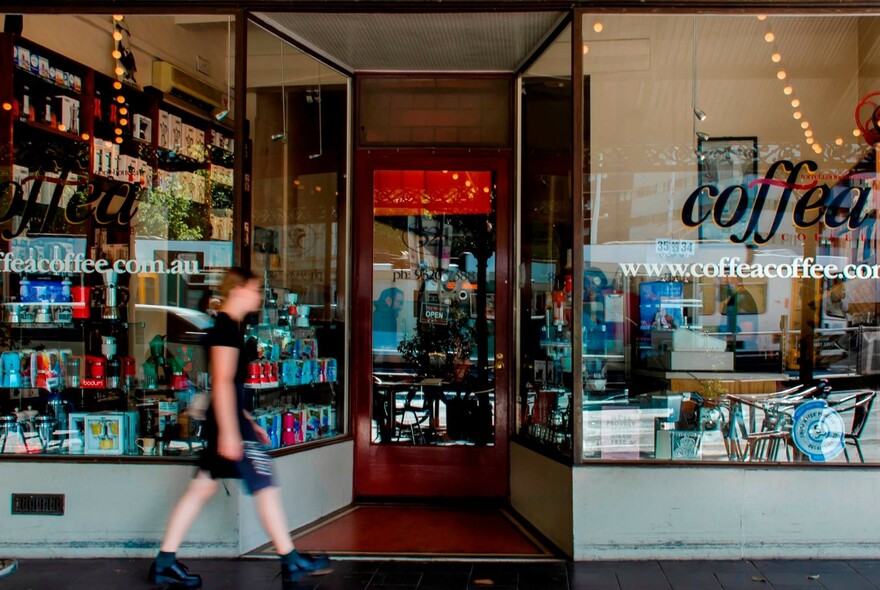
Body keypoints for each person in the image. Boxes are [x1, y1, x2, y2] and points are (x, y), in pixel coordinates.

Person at [148, 267, 329, 589]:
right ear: (240, 290)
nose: (259, 296)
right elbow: (221, 381)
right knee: (265, 482)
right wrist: (233, 431)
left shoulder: (228, 328)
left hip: (229, 421)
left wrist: (246, 420)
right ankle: (291, 561)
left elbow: (229, 384)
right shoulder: (226, 330)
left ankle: (164, 562)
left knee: (201, 488)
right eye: (255, 290)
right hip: (227, 426)